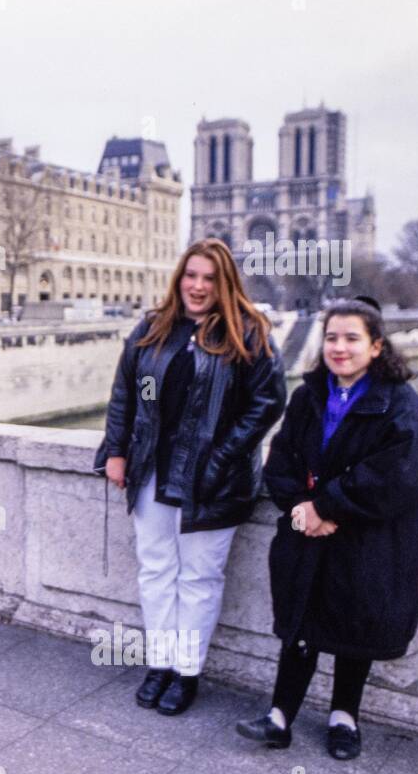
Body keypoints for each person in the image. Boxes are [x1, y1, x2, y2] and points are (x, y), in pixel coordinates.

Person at [94, 238, 286, 715]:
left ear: (225, 284)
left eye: (209, 278)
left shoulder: (249, 332)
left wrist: (221, 458)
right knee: (157, 570)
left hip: (213, 479)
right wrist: (115, 451)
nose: (198, 287)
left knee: (199, 578)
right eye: (191, 275)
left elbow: (268, 404)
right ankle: (159, 662)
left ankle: (186, 672)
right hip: (153, 471)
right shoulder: (153, 328)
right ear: (179, 277)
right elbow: (125, 395)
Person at [238, 297, 418, 759]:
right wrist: (301, 507)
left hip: (368, 538)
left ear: (376, 346)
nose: (338, 348)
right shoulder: (308, 396)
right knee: (302, 619)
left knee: (354, 623)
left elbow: (399, 475)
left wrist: (327, 506)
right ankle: (280, 715)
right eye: (331, 338)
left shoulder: (400, 403)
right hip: (308, 531)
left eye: (351, 338)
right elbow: (280, 459)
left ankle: (344, 717)